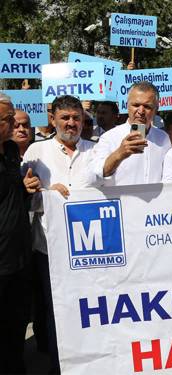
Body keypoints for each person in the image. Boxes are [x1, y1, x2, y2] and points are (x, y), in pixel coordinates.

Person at [22, 95, 98, 374]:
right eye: (65, 117)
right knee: (57, 312)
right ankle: (60, 365)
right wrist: (46, 195)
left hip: (91, 249)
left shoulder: (95, 151)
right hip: (48, 249)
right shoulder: (36, 151)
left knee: (89, 309)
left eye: (76, 118)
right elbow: (25, 199)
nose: (71, 123)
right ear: (52, 119)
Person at [0, 93, 32, 374]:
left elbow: (11, 197)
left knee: (17, 321)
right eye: (7, 118)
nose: (13, 122)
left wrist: (25, 188)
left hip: (20, 255)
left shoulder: (10, 151)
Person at [93, 81, 171, 186]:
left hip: (156, 201)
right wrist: (119, 154)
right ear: (127, 106)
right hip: (123, 201)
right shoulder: (109, 138)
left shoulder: (163, 138)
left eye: (147, 106)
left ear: (156, 109)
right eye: (136, 105)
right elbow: (97, 176)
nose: (141, 111)